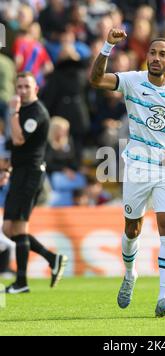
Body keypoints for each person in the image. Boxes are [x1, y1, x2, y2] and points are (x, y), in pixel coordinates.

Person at [90, 29, 165, 317]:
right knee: (131, 229)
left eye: (163, 54)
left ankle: (163, 298)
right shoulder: (132, 81)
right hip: (136, 167)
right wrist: (108, 45)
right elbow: (96, 79)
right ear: (146, 56)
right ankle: (130, 273)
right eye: (152, 53)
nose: (156, 58)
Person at [3, 72, 68, 294]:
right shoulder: (23, 111)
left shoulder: (36, 112)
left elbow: (20, 139)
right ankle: (52, 258)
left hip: (31, 174)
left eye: (26, 87)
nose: (22, 91)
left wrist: (12, 111)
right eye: (19, 86)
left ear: (36, 89)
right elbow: (15, 145)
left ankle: (21, 282)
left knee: (19, 227)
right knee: (8, 228)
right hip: (20, 172)